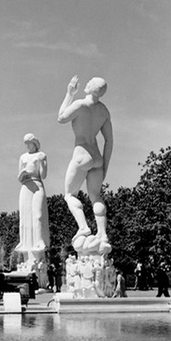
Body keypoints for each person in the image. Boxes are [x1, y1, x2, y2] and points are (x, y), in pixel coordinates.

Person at [58, 75, 113, 250]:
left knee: (69, 195)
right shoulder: (104, 111)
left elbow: (61, 117)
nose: (86, 84)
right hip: (97, 157)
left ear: (90, 87)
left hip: (82, 155)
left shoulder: (80, 105)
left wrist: (69, 94)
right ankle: (102, 235)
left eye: (88, 83)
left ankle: (83, 227)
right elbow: (109, 141)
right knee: (96, 196)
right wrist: (105, 166)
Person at [15, 133, 50, 281]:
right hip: (25, 186)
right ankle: (25, 245)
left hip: (37, 184)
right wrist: (23, 174)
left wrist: (41, 162)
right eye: (26, 143)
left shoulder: (41, 155)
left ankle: (39, 242)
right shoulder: (23, 157)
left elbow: (44, 174)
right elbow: (18, 176)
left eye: (29, 143)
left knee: (38, 215)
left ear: (35, 143)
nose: (27, 146)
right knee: (25, 218)